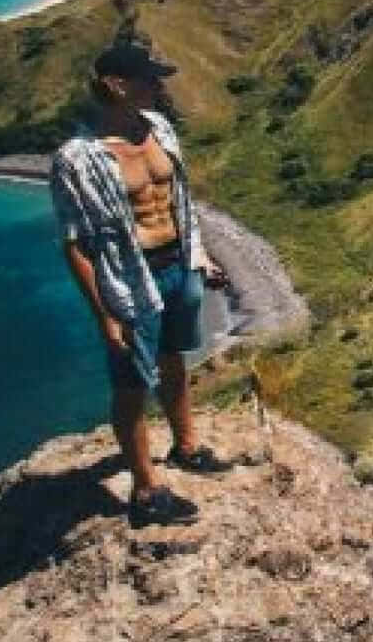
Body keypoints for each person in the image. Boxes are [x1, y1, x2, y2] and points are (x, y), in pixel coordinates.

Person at [49, 38, 234, 527]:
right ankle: (146, 491)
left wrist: (202, 256)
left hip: (179, 264)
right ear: (115, 85)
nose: (158, 86)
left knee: (175, 358)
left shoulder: (160, 130)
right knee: (131, 382)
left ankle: (186, 444)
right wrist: (105, 315)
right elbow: (74, 244)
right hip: (132, 280)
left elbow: (180, 201)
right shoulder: (77, 159)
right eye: (148, 78)